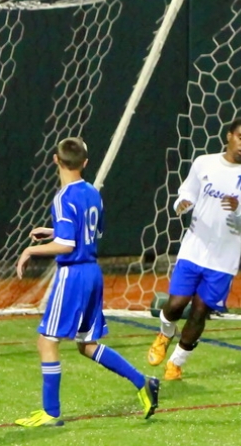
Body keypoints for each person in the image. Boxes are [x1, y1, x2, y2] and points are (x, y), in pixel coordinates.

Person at [14, 137, 159, 427]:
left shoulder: (63, 197)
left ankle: (51, 413)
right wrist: (52, 231)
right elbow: (90, 232)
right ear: (86, 163)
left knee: (46, 341)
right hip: (92, 272)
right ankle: (143, 382)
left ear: (55, 160)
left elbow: (67, 245)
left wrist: (30, 250)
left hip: (73, 274)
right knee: (87, 344)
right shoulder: (93, 192)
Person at [147, 116, 241, 380]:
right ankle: (165, 333)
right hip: (194, 248)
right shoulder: (204, 163)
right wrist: (181, 204)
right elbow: (186, 193)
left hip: (224, 259)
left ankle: (176, 362)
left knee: (200, 311)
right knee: (176, 304)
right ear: (229, 136)